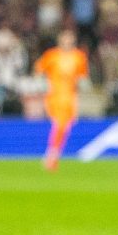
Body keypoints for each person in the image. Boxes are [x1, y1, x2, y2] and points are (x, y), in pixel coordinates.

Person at [35, 31, 88, 172]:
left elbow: (82, 77)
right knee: (60, 124)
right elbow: (39, 70)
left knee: (66, 126)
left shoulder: (79, 57)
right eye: (65, 39)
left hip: (71, 97)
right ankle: (52, 155)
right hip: (55, 96)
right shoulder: (51, 56)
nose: (67, 42)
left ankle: (53, 155)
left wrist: (80, 93)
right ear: (60, 40)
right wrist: (42, 86)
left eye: (70, 40)